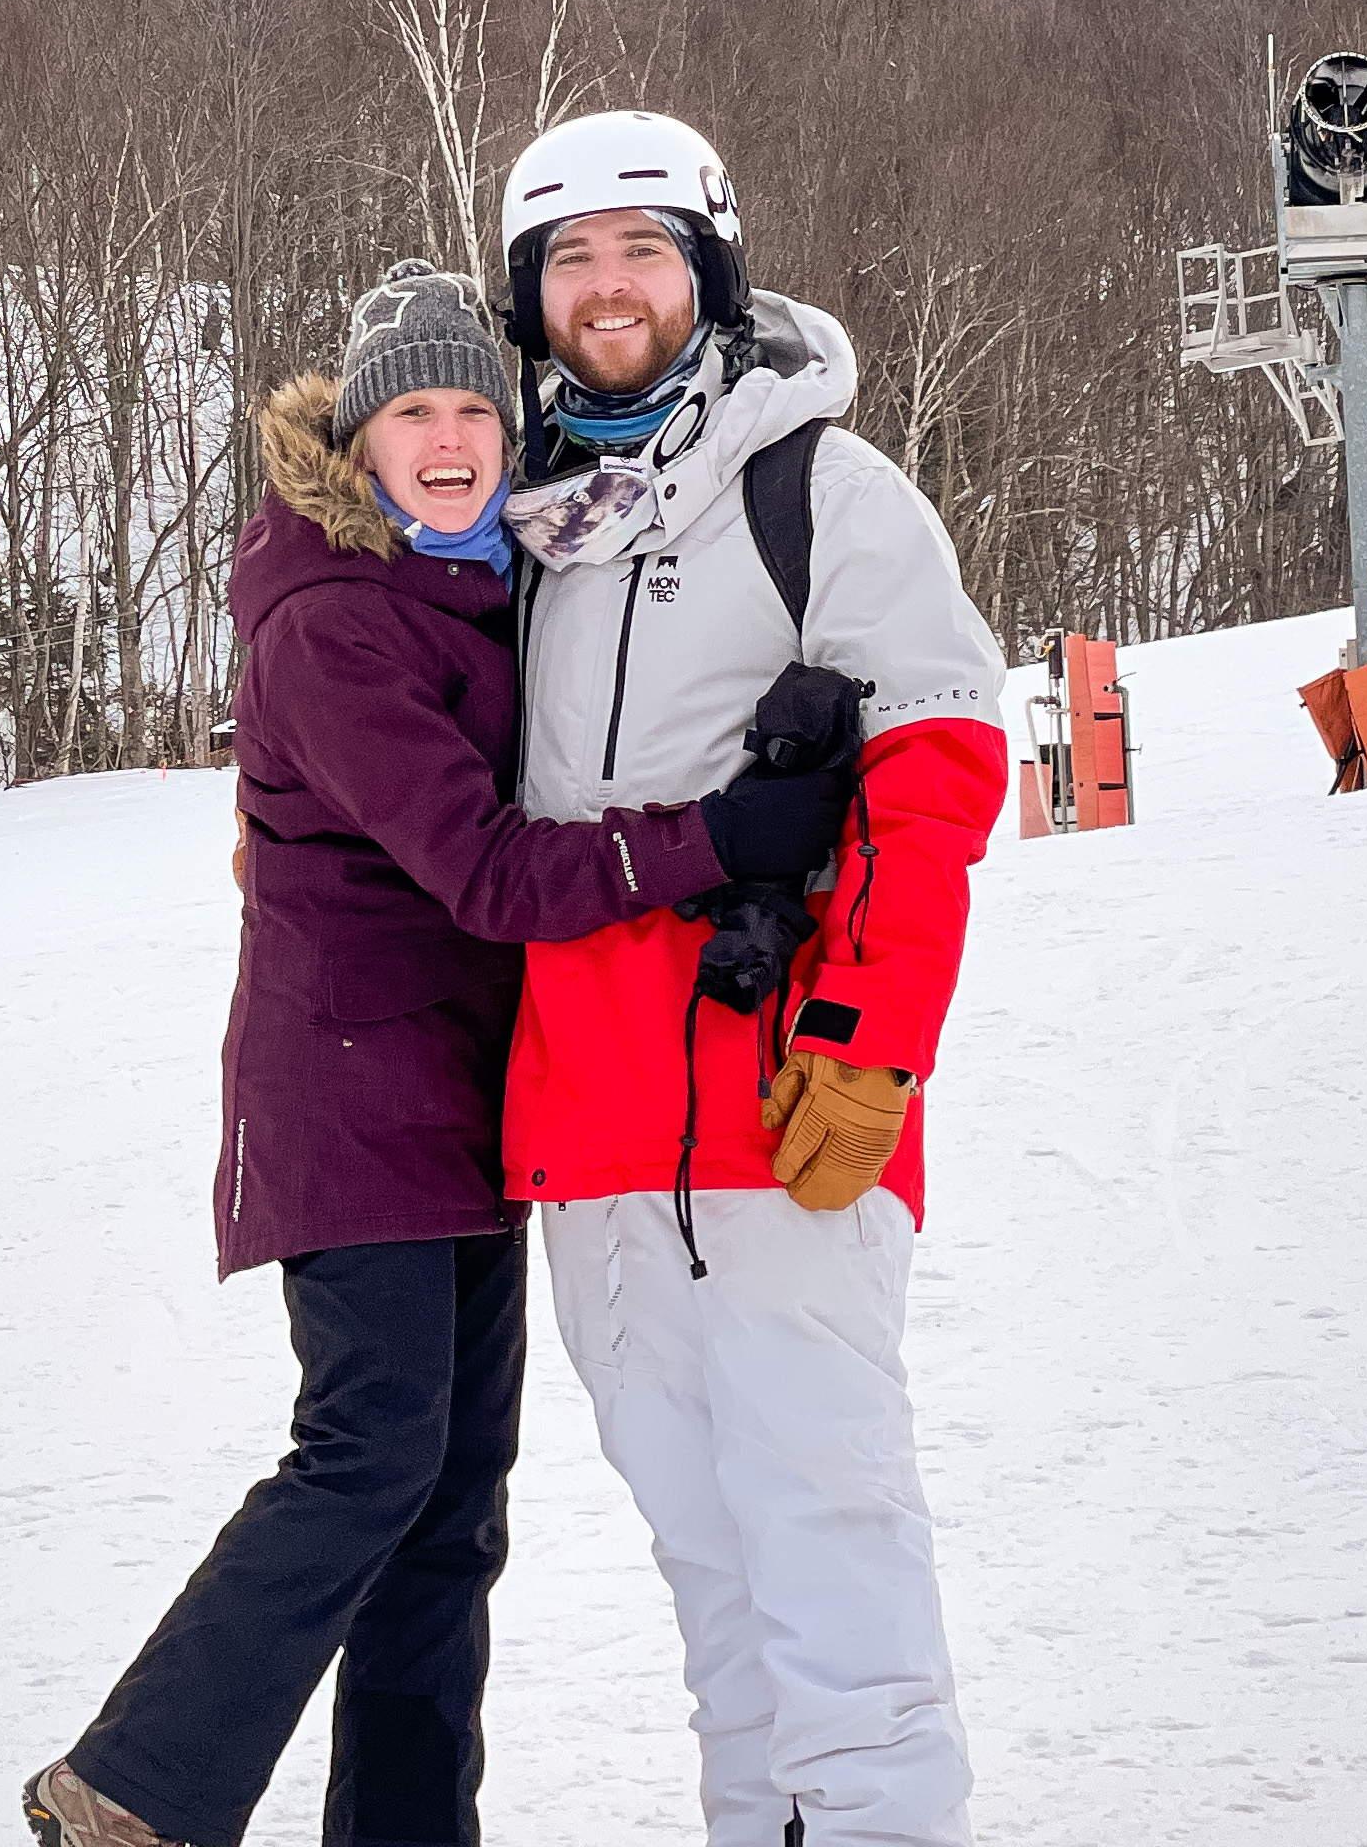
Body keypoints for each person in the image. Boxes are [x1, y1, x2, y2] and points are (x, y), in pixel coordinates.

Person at [27, 259, 858, 1847]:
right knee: (370, 1451)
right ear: (357, 437)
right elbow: (484, 867)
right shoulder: (337, 621)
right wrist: (712, 838)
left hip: (464, 1101)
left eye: (474, 403)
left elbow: (670, 528)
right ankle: (131, 1786)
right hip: (349, 1096)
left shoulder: (486, 569)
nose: (453, 434)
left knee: (449, 1510)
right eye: (414, 409)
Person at [494, 112, 1011, 1847]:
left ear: (706, 271)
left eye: (642, 248)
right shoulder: (525, 537)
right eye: (570, 258)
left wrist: (871, 1044)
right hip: (596, 1142)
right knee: (715, 1589)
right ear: (532, 297)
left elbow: (935, 774)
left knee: (832, 1548)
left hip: (779, 1110)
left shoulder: (818, 493)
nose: (607, 286)